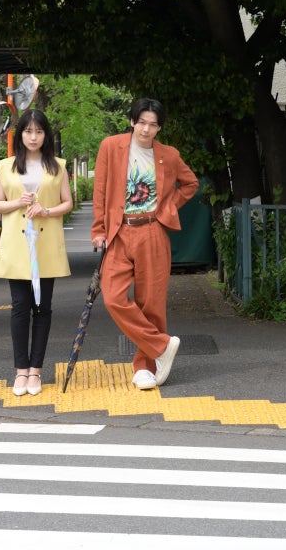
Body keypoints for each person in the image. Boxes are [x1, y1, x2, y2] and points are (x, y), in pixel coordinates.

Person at [91, 97, 199, 391]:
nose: (146, 129)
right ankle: (162, 346)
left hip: (152, 230)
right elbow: (100, 190)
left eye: (153, 124)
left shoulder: (169, 155)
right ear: (132, 121)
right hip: (119, 231)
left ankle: (145, 367)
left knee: (151, 303)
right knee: (113, 296)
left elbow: (190, 184)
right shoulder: (111, 147)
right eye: (142, 122)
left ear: (159, 127)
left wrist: (168, 208)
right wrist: (98, 230)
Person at [0, 108, 72, 396]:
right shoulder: (6, 166)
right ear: (20, 134)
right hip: (16, 244)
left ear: (45, 134)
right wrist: (18, 202)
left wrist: (45, 210)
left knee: (43, 307)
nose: (33, 136)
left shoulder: (57, 166)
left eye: (39, 131)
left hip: (46, 243)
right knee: (19, 306)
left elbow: (68, 203)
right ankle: (20, 371)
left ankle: (36, 371)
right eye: (28, 131)